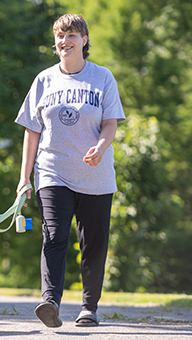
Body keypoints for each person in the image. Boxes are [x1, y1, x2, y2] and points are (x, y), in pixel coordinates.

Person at [15, 13, 125, 328]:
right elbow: (31, 132)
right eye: (60, 36)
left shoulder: (102, 77)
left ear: (84, 40)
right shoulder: (44, 80)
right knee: (54, 235)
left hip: (96, 177)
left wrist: (101, 148)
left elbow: (110, 123)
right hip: (53, 171)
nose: (65, 41)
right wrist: (24, 179)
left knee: (93, 244)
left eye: (72, 35)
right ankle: (50, 301)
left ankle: (88, 308)